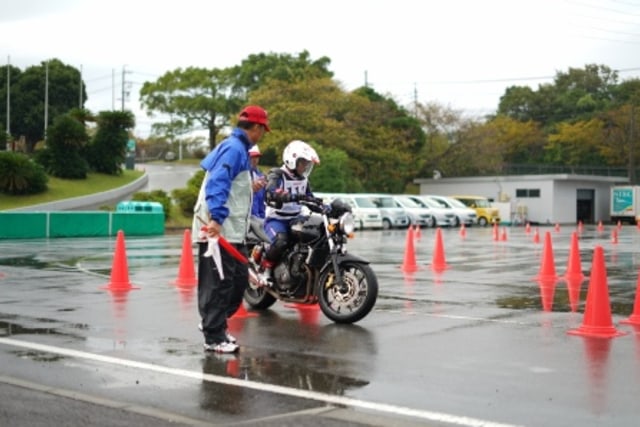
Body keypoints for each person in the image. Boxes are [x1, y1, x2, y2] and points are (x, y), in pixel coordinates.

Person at [192, 105, 270, 353]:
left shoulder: (239, 150)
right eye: (263, 130)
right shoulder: (234, 148)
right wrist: (215, 219)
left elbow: (234, 186)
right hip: (219, 230)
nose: (262, 134)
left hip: (233, 231)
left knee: (237, 282)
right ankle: (213, 335)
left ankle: (213, 324)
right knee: (219, 283)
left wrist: (251, 189)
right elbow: (218, 181)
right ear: (256, 128)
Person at [259, 140, 320, 285]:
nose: (305, 166)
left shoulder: (303, 179)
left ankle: (302, 269)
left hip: (296, 218)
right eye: (302, 162)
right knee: (281, 241)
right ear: (292, 160)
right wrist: (285, 196)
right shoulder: (278, 174)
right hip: (276, 219)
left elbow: (309, 198)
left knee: (314, 233)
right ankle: (265, 269)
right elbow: (270, 192)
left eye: (306, 163)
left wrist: (324, 207)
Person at [249, 145, 266, 219]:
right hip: (245, 219)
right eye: (252, 157)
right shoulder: (240, 176)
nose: (254, 159)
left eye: (256, 156)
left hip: (258, 218)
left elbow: (262, 201)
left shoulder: (261, 176)